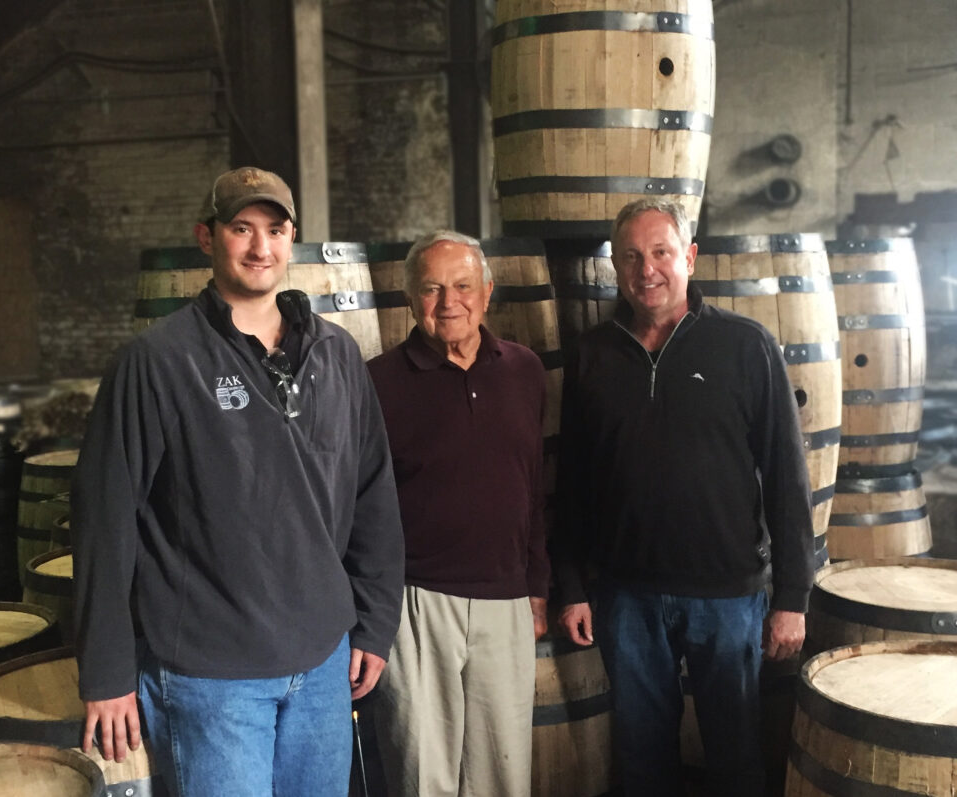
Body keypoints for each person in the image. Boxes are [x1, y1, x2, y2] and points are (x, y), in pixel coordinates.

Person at [70, 166, 405, 796]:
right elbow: (104, 520)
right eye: (241, 229)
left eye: (274, 230)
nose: (260, 247)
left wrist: (375, 622)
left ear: (292, 239)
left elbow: (374, 497)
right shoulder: (156, 362)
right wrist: (107, 672)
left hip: (323, 663)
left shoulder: (335, 356)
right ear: (207, 237)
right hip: (211, 675)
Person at [553, 199, 815, 797]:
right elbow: (572, 484)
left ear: (689, 257)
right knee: (642, 764)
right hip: (626, 596)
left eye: (662, 252)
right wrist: (571, 586)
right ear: (616, 268)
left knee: (735, 761)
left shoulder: (746, 346)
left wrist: (793, 595)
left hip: (726, 595)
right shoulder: (594, 354)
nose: (648, 269)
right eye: (631, 256)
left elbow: (785, 477)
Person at [366, 230, 550, 797]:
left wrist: (537, 584)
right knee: (424, 774)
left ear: (487, 291)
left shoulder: (524, 371)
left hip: (506, 600)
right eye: (432, 288)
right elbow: (362, 508)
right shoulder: (377, 382)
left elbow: (534, 487)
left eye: (463, 285)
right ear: (409, 300)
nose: (450, 302)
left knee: (503, 773)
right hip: (416, 602)